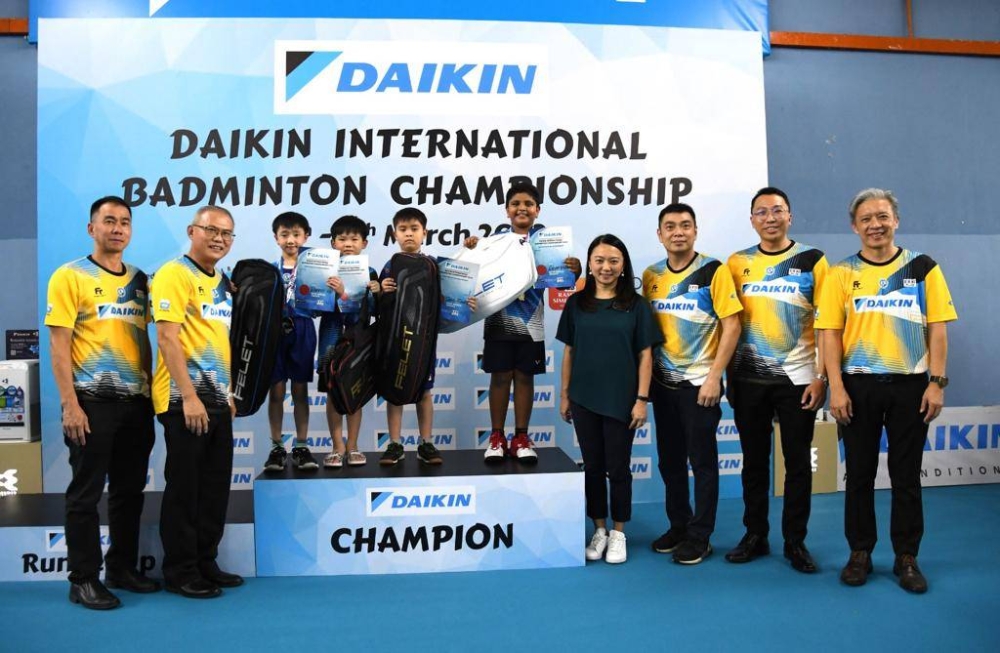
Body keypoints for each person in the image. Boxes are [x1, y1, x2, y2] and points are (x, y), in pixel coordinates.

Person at [817, 188, 957, 593]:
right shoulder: (841, 274)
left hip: (911, 386)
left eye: (882, 217)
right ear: (854, 226)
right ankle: (859, 552)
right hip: (857, 387)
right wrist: (836, 388)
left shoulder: (923, 267)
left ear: (896, 220)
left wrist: (936, 383)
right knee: (858, 474)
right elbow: (829, 334)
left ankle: (906, 557)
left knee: (906, 475)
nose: (875, 225)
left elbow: (938, 328)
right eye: (866, 219)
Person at [46, 196, 158, 609]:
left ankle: (121, 569)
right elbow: (58, 346)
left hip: (136, 402)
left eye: (124, 222)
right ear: (92, 228)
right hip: (91, 403)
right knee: (85, 494)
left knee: (129, 491)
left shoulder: (141, 281)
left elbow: (147, 339)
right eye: (109, 221)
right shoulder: (70, 276)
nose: (117, 228)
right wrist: (70, 405)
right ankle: (83, 579)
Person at [724, 187, 828, 573]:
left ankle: (795, 541)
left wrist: (821, 377)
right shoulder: (737, 263)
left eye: (777, 210)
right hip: (748, 379)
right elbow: (727, 323)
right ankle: (755, 535)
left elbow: (828, 324)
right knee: (753, 462)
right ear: (752, 220)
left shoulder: (813, 260)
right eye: (762, 212)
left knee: (797, 464)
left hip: (799, 380)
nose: (770, 218)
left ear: (790, 216)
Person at [642, 203, 742, 565]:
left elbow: (732, 325)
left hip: (701, 386)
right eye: (670, 226)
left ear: (695, 231)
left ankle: (701, 536)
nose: (678, 232)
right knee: (670, 462)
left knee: (702, 463)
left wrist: (715, 377)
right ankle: (679, 525)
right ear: (660, 234)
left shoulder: (713, 271)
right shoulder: (651, 276)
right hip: (662, 386)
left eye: (685, 225)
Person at [150, 205, 241, 599]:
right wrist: (188, 396)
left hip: (218, 399)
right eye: (211, 230)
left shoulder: (223, 281)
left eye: (226, 233)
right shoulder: (174, 274)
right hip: (182, 400)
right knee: (185, 488)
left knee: (214, 487)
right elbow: (167, 338)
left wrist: (228, 393)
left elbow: (219, 340)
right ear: (192, 231)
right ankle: (180, 570)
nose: (219, 238)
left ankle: (206, 561)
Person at [557, 234, 660, 565]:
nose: (606, 267)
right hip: (583, 397)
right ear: (589, 263)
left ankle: (618, 533)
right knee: (592, 467)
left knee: (618, 468)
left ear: (623, 265)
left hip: (621, 400)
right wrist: (565, 395)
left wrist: (641, 399)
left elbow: (645, 356)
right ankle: (599, 529)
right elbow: (569, 352)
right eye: (599, 260)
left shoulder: (637, 305)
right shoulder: (577, 304)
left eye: (613, 261)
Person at [464, 181, 581, 463]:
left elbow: (560, 282)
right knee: (500, 377)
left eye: (528, 204)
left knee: (525, 378)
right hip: (498, 320)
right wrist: (471, 249)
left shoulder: (547, 240)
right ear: (507, 211)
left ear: (537, 210)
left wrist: (573, 271)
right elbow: (475, 273)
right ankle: (496, 438)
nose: (522, 208)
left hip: (532, 324)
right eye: (515, 204)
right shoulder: (495, 241)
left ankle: (521, 437)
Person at [379, 207, 474, 466]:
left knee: (424, 391)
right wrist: (381, 290)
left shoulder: (433, 265)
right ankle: (395, 443)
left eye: (414, 229)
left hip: (423, 340)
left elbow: (450, 293)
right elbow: (379, 304)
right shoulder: (389, 266)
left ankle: (426, 442)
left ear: (425, 232)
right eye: (403, 229)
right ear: (394, 234)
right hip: (396, 339)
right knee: (394, 391)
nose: (409, 234)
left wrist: (464, 302)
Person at [316, 215, 380, 468]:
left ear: (364, 243)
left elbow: (374, 310)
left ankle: (352, 446)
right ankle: (337, 446)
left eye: (354, 239)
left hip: (358, 340)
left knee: (354, 390)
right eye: (342, 239)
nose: (348, 244)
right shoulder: (324, 270)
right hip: (330, 339)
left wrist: (373, 293)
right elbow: (315, 307)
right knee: (332, 393)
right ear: (333, 243)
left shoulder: (370, 273)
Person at [263, 211, 319, 472]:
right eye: (284, 234)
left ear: (306, 236)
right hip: (275, 331)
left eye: (296, 234)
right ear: (276, 238)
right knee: (275, 391)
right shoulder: (268, 271)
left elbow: (322, 303)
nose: (290, 240)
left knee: (300, 390)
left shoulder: (314, 270)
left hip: (303, 328)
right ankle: (277, 446)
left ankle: (302, 445)